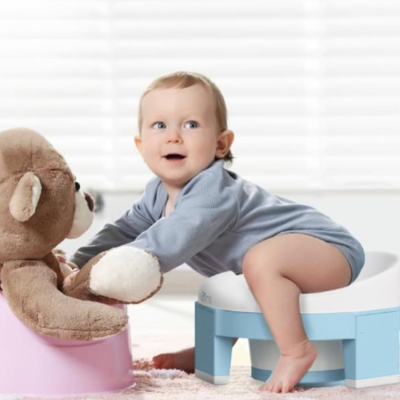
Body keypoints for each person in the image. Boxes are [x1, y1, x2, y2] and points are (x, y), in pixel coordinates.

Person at [63, 71, 365, 393]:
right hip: (283, 261)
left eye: (191, 125)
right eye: (159, 125)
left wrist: (114, 268)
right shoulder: (156, 194)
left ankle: (296, 349)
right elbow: (124, 230)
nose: (173, 137)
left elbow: (172, 238)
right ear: (140, 145)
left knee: (259, 262)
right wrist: (77, 264)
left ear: (221, 144)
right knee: (224, 285)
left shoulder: (213, 191)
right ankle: (207, 352)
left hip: (329, 251)